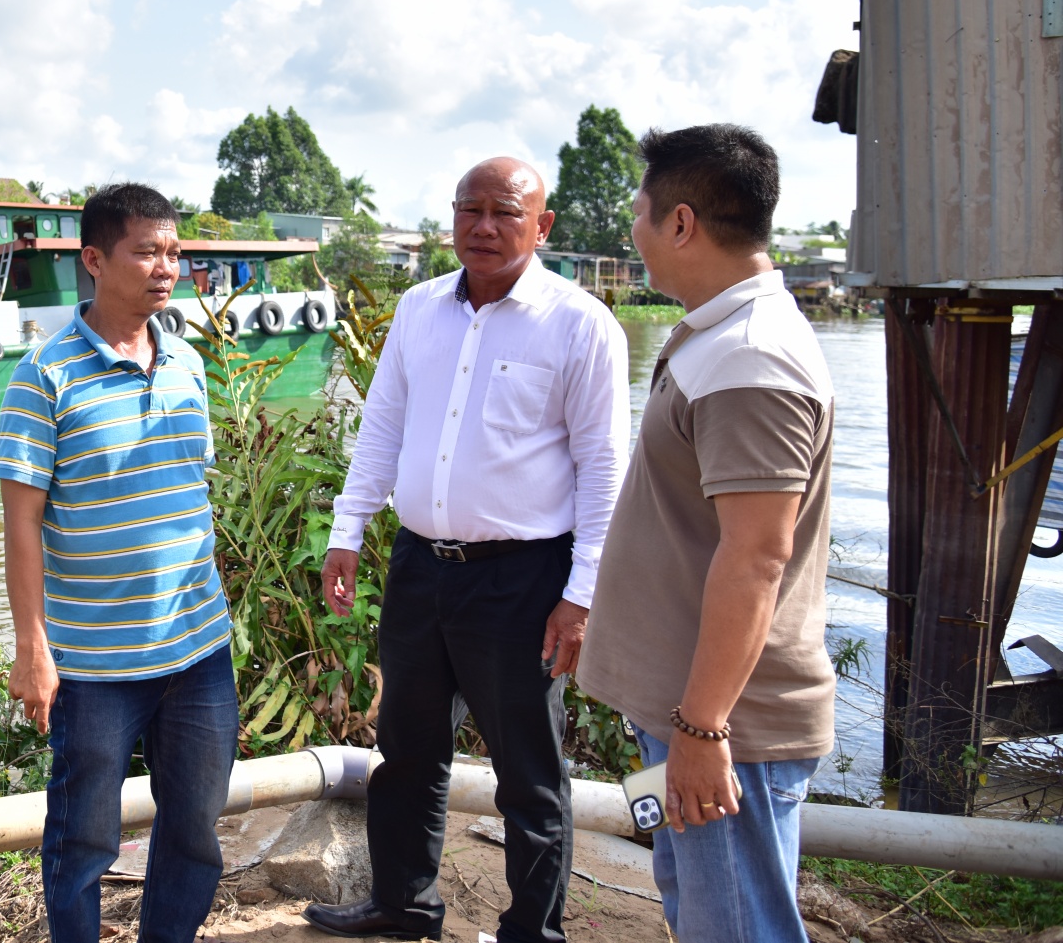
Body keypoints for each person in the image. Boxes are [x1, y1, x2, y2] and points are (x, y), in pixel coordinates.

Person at [307, 157, 629, 943]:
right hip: (421, 566)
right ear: (452, 217)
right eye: (469, 210)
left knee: (529, 770)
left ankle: (533, 933)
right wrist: (348, 529)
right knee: (406, 750)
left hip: (523, 580)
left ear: (542, 226)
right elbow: (382, 425)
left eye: (505, 212)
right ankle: (404, 904)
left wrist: (581, 594)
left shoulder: (580, 323)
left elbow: (604, 470)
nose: (484, 227)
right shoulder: (420, 309)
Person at [576, 125, 834, 943]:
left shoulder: (751, 358)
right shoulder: (720, 335)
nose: (634, 236)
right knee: (699, 912)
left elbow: (757, 557)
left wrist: (703, 727)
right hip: (685, 711)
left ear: (681, 223)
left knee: (736, 926)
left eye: (640, 215)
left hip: (725, 727)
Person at [0, 182, 237, 943]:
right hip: (94, 664)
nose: (166, 267)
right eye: (147, 251)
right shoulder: (44, 376)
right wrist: (33, 649)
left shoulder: (190, 365)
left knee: (195, 828)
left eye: (173, 251)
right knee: (83, 840)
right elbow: (21, 525)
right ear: (95, 259)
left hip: (198, 651)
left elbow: (190, 494)